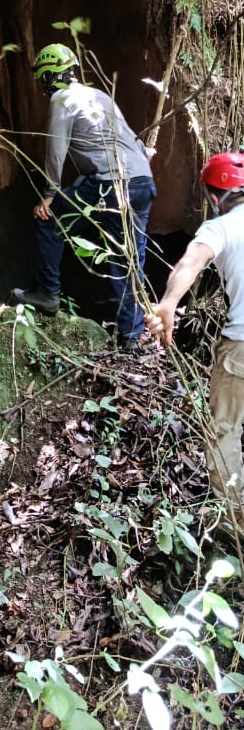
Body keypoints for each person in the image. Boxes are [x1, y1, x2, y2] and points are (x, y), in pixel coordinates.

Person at [11, 43, 157, 350]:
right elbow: (129, 138)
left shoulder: (61, 99)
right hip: (142, 182)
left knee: (50, 222)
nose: (41, 85)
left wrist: (50, 194)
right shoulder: (100, 96)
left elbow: (55, 151)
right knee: (128, 259)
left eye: (42, 78)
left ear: (50, 76)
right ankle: (132, 337)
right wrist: (143, 156)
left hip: (109, 184)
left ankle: (48, 294)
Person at [145, 152, 244, 525]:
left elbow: (191, 261)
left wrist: (168, 303)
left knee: (224, 430)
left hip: (241, 348)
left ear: (214, 195)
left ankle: (236, 522)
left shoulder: (220, 228)